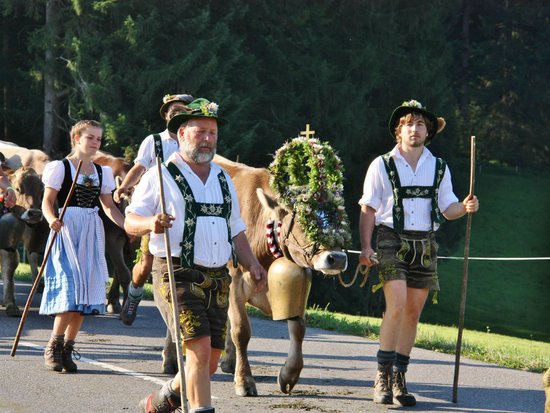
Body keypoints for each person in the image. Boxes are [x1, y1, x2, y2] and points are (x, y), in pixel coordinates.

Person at [125, 97, 267, 413]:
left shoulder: (221, 178)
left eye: (212, 133)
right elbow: (130, 221)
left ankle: (161, 400)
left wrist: (253, 264)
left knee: (210, 361)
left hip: (218, 278)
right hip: (176, 272)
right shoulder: (159, 174)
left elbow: (236, 230)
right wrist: (151, 222)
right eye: (200, 131)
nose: (207, 139)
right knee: (199, 352)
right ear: (181, 134)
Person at [358, 99, 479, 406]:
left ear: (428, 132)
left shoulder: (438, 167)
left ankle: (400, 377)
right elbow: (368, 209)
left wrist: (464, 209)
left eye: (421, 124)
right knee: (396, 305)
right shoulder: (381, 165)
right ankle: (382, 376)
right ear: (399, 131)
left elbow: (447, 208)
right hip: (390, 240)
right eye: (409, 124)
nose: (415, 129)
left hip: (424, 244)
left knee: (412, 312)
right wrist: (366, 246)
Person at [40, 120, 126, 373]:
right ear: (76, 138)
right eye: (91, 138)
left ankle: (68, 347)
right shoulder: (61, 168)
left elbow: (108, 206)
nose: (96, 143)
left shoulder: (102, 173)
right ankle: (53, 346)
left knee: (85, 294)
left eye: (99, 139)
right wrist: (51, 219)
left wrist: (126, 225)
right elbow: (48, 201)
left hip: (90, 230)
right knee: (70, 289)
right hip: (66, 229)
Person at [114, 93, 194, 326]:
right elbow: (139, 167)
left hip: (187, 212)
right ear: (166, 116)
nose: (175, 114)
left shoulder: (193, 141)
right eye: (172, 111)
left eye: (181, 110)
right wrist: (124, 188)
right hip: (158, 211)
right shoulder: (154, 141)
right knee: (147, 262)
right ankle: (134, 295)